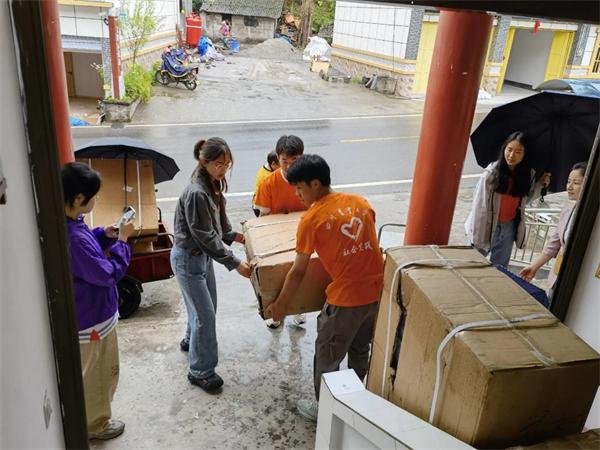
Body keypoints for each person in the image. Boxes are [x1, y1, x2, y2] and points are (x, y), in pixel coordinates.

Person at [267, 154, 384, 422]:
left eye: (300, 188)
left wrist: (282, 304)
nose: (297, 194)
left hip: (344, 301)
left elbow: (298, 270)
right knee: (359, 349)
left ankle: (326, 412)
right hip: (375, 296)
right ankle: (357, 399)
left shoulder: (312, 219)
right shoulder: (361, 203)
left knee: (327, 357)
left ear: (316, 184)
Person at [171, 137, 252, 393]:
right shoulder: (196, 193)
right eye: (219, 164)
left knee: (204, 308)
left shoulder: (213, 184)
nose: (224, 169)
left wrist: (237, 236)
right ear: (203, 162)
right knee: (205, 315)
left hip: (201, 257)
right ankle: (201, 370)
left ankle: (189, 340)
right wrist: (235, 263)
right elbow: (204, 236)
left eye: (227, 164)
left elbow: (219, 226)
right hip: (188, 258)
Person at [62, 162, 134, 440]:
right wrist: (123, 243)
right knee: (97, 376)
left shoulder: (70, 226)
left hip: (91, 316)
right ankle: (95, 425)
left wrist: (103, 235)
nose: (96, 199)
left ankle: (94, 419)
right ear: (79, 199)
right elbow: (106, 274)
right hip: (93, 321)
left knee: (97, 373)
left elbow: (86, 253)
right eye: (94, 195)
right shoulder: (74, 238)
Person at [465, 131, 550, 267]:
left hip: (508, 227)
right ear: (504, 148)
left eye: (518, 152)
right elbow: (479, 207)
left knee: (500, 270)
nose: (511, 155)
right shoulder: (491, 174)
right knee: (473, 267)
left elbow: (524, 201)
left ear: (525, 154)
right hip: (486, 225)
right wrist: (476, 237)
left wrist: (540, 185)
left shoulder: (527, 175)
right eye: (509, 149)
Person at [254, 135, 308, 328]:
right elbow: (263, 218)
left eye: (294, 161)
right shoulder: (268, 184)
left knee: (301, 274)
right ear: (277, 158)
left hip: (302, 236)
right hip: (276, 238)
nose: (288, 165)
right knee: (278, 277)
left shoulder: (309, 180)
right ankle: (276, 314)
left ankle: (299, 308)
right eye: (284, 161)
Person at [519, 162, 587, 299]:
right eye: (568, 181)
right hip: (557, 276)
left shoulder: (591, 217)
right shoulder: (568, 208)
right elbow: (554, 243)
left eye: (576, 183)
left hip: (579, 281)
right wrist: (534, 267)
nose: (569, 187)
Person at [252, 150, 280, 217]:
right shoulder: (266, 177)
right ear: (273, 163)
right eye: (281, 164)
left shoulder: (267, 167)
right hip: (261, 207)